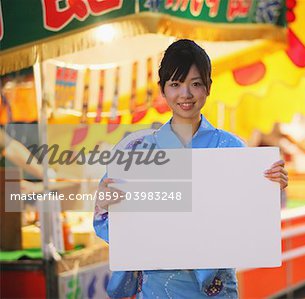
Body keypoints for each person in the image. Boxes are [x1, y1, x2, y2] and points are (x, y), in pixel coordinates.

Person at [94, 39, 288, 298]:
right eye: (175, 84)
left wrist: (273, 186)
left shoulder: (233, 148)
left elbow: (254, 217)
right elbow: (109, 221)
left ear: (208, 87)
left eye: (195, 84)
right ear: (162, 89)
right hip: (157, 289)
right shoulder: (135, 150)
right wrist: (106, 203)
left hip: (215, 289)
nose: (185, 94)